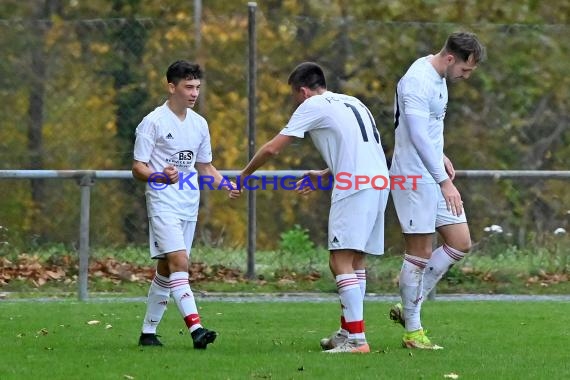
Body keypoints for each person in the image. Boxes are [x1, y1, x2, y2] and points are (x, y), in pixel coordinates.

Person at [240, 62, 390, 353]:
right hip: (378, 181)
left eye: (295, 97)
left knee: (339, 261)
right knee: (355, 260)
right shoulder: (353, 101)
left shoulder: (313, 105)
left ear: (303, 91)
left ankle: (357, 341)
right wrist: (324, 173)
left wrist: (244, 175)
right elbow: (359, 148)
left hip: (355, 186)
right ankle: (348, 332)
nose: (296, 103)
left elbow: (273, 148)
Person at [132, 60, 241, 349]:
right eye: (188, 87)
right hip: (162, 203)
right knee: (180, 262)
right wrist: (158, 176)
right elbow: (137, 167)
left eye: (197, 88)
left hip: (188, 205)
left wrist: (225, 184)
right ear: (171, 87)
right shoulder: (153, 122)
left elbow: (205, 166)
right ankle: (197, 329)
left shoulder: (199, 124)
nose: (194, 93)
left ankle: (148, 333)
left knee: (168, 269)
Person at [389, 31, 486, 349]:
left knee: (460, 242)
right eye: (465, 69)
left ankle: (408, 306)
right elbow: (415, 134)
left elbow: (424, 130)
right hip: (413, 177)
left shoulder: (439, 76)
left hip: (431, 172)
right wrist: (444, 182)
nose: (466, 76)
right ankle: (413, 332)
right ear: (449, 58)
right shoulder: (418, 80)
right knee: (419, 252)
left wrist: (440, 155)